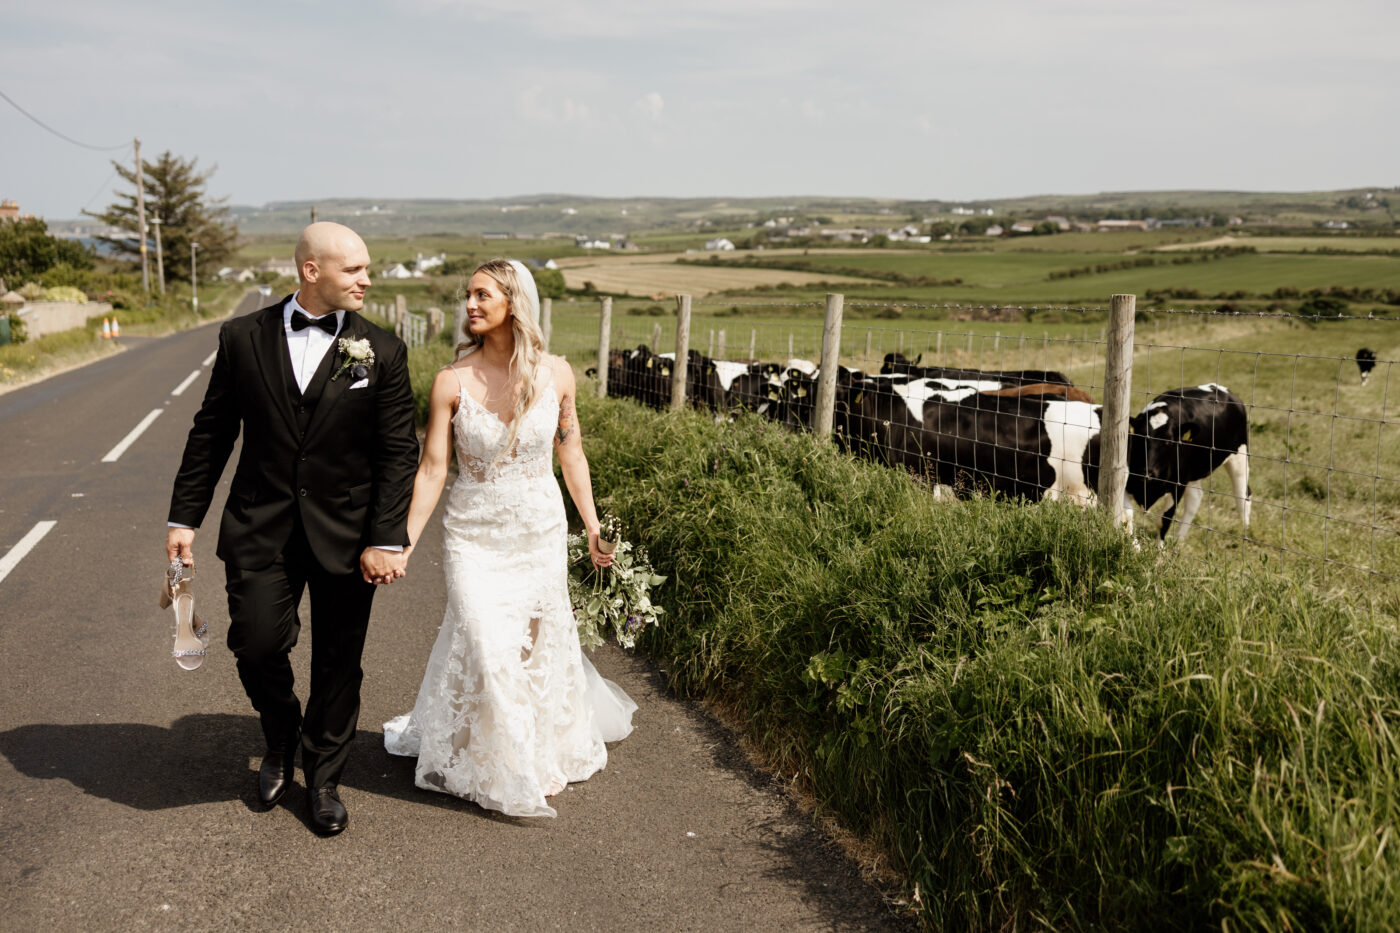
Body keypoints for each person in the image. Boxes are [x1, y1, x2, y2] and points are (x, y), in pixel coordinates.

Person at [166, 222, 419, 836]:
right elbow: (212, 433)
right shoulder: (242, 338)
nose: (366, 279)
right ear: (312, 271)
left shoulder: (382, 350)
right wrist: (184, 517)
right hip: (261, 525)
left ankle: (324, 777)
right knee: (253, 642)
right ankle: (279, 734)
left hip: (348, 533)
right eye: (354, 269)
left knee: (339, 662)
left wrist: (387, 536)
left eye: (366, 269)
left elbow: (397, 452)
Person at [383, 259, 635, 818]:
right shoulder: (451, 381)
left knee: (529, 647)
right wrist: (403, 542)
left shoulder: (559, 374)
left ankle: (531, 749)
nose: (469, 305)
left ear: (514, 302)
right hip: (473, 534)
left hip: (539, 529)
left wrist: (593, 527)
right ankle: (509, 761)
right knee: (481, 635)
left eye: (482, 295)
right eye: (467, 296)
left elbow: (570, 452)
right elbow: (431, 470)